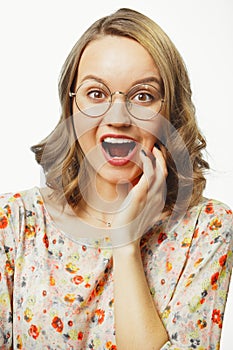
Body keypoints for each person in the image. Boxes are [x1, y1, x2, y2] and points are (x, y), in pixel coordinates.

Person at [0, 7, 232, 350]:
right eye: (96, 94)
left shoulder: (207, 230)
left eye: (143, 96)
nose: (118, 117)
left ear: (170, 111)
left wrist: (125, 245)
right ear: (72, 108)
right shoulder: (15, 223)